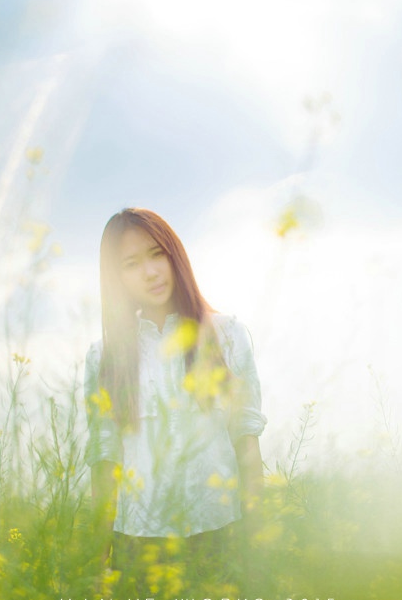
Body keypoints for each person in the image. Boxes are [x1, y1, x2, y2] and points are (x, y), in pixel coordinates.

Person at [83, 208, 267, 592]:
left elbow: (246, 442)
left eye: (156, 254)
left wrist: (255, 543)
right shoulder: (104, 357)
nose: (150, 272)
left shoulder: (227, 335)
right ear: (115, 278)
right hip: (137, 544)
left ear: (174, 255)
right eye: (131, 264)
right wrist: (95, 562)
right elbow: (105, 461)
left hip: (219, 534)